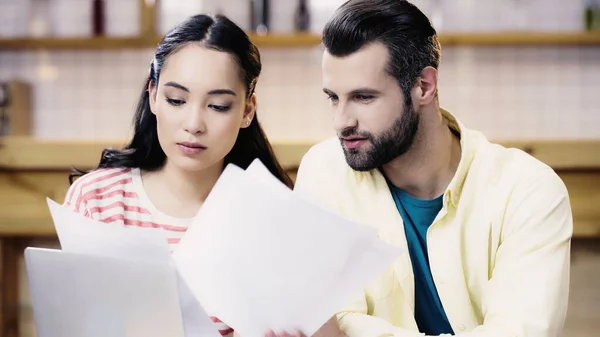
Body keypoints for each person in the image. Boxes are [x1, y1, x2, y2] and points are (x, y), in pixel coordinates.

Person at [293, 1, 573, 337]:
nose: (341, 122)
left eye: (363, 97)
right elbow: (322, 315)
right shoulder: (324, 173)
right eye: (333, 98)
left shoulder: (528, 191)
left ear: (424, 86)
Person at [63, 13, 293, 337]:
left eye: (218, 106)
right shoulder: (98, 200)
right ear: (153, 95)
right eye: (177, 100)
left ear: (247, 111)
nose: (194, 123)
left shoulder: (271, 215)